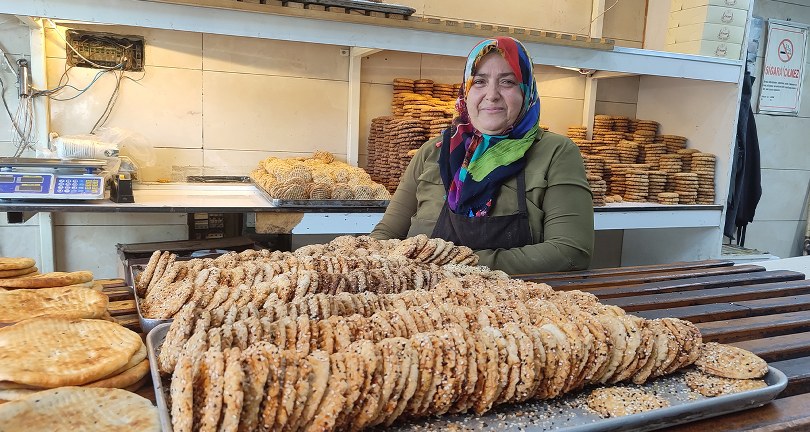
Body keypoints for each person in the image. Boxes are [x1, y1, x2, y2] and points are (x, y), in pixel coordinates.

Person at [370, 36, 594, 275]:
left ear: (526, 90)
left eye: (507, 81)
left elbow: (570, 252)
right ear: (466, 90)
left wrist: (456, 264)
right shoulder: (433, 151)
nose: (492, 94)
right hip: (419, 304)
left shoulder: (555, 152)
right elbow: (385, 236)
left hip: (514, 307)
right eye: (479, 81)